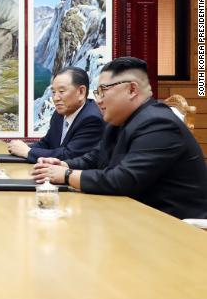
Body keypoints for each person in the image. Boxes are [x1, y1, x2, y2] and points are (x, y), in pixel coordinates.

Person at [32, 57, 207, 219]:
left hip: (173, 225)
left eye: (103, 91)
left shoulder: (158, 123)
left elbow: (123, 180)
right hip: (135, 215)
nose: (98, 100)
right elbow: (95, 157)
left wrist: (67, 175)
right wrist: (64, 165)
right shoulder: (119, 121)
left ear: (131, 89)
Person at [8, 67, 104, 162]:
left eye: (61, 91)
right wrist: (20, 148)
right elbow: (47, 143)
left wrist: (27, 152)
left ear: (81, 92)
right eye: (53, 92)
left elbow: (69, 155)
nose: (55, 98)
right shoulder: (59, 115)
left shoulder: (92, 119)